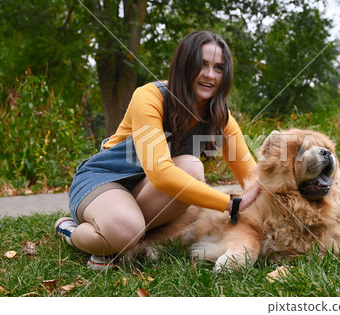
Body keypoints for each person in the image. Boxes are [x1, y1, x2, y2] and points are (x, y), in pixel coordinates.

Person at [55, 30, 260, 270]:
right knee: (126, 230)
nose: (209, 75)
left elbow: (253, 177)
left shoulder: (219, 118)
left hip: (145, 195)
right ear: (184, 65)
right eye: (202, 65)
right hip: (103, 181)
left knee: (191, 167)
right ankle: (71, 230)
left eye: (218, 68)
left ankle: (121, 230)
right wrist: (229, 203)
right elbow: (161, 172)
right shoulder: (150, 97)